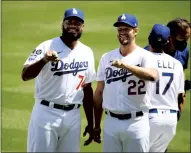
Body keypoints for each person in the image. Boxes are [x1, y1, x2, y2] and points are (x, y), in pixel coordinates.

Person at [21, 8, 96, 152]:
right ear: (62, 24)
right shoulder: (46, 46)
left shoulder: (87, 52)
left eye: (78, 23)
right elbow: (25, 75)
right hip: (46, 114)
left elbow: (87, 88)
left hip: (73, 116)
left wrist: (90, 122)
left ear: (83, 27)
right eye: (70, 22)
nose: (73, 25)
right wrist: (44, 60)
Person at [93, 13, 158, 152]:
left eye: (126, 29)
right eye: (120, 29)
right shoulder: (107, 58)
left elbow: (153, 76)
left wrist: (126, 66)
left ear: (135, 31)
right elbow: (99, 91)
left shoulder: (145, 56)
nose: (122, 33)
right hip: (111, 123)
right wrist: (97, 124)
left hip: (136, 123)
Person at [146, 24, 185, 152]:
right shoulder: (177, 64)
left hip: (150, 117)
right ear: (168, 42)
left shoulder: (143, 60)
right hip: (170, 120)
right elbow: (181, 96)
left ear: (149, 39)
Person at [144, 18, 191, 121]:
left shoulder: (184, 52)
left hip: (170, 114)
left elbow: (181, 89)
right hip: (149, 112)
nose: (185, 42)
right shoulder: (148, 52)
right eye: (181, 38)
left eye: (187, 38)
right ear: (170, 37)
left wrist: (179, 111)